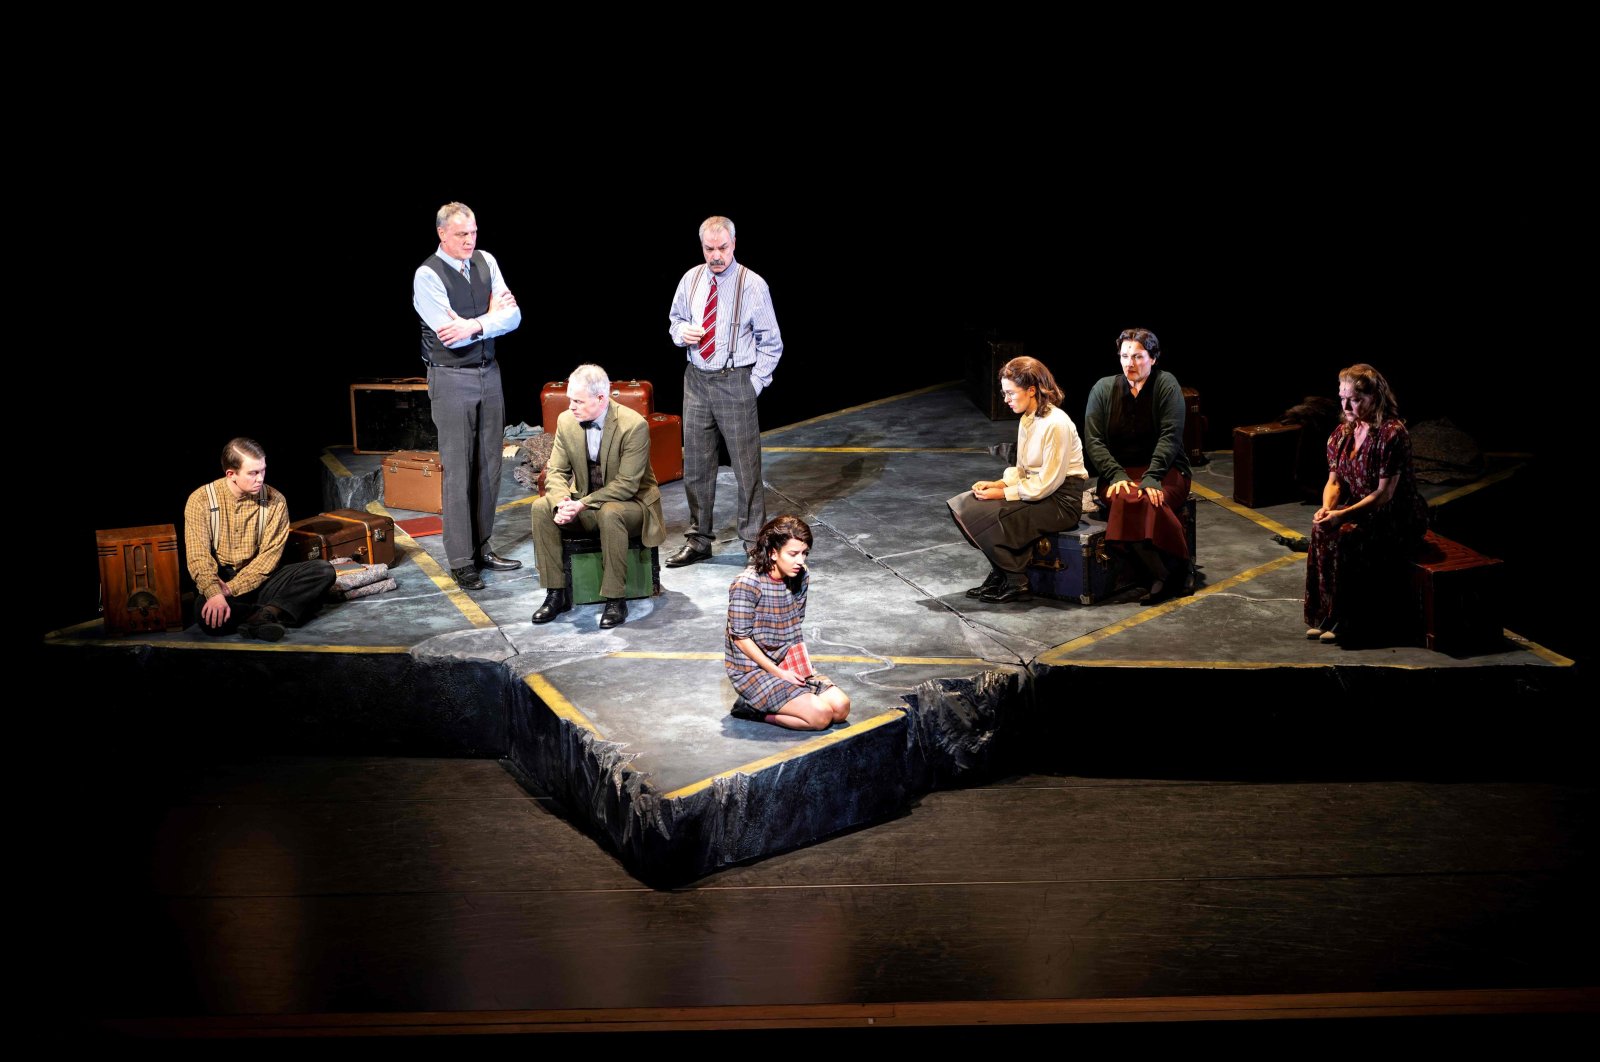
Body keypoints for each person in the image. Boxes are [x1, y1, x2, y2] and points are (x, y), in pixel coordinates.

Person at [413, 202, 523, 592]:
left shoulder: (486, 261)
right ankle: (461, 560)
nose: (469, 241)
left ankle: (483, 546)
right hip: (451, 378)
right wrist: (490, 319)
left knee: (490, 465)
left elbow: (514, 317)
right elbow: (448, 333)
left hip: (488, 374)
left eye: (473, 232)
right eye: (461, 234)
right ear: (442, 233)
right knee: (459, 471)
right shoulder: (427, 275)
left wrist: (476, 323)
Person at [665, 215, 783, 568]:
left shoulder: (752, 285)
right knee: (698, 466)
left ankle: (753, 542)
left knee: (747, 469)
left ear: (734, 244)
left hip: (735, 381)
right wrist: (681, 332)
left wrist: (753, 384)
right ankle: (699, 538)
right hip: (697, 380)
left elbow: (772, 344)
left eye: (722, 248)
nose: (715, 256)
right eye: (709, 248)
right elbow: (675, 320)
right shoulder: (691, 278)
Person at [529, 364, 667, 629]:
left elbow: (626, 485)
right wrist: (563, 502)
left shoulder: (633, 425)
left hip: (631, 507)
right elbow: (556, 471)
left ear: (601, 398)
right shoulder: (566, 421)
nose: (571, 406)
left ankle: (616, 599)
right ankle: (556, 593)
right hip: (585, 503)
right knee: (540, 508)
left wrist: (580, 503)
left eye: (578, 401)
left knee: (610, 511)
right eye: (570, 399)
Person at [1303, 363, 1428, 645]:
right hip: (1359, 509)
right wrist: (1328, 508)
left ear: (1375, 398)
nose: (1347, 405)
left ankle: (1348, 620)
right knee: (1321, 530)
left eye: (1356, 399)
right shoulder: (1341, 434)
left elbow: (1384, 494)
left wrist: (1343, 515)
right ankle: (1327, 613)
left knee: (1348, 539)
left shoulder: (1392, 434)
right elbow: (1334, 483)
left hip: (1396, 515)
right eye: (1343, 398)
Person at [947, 357, 1089, 603]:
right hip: (1035, 491)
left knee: (991, 517)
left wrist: (1003, 494)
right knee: (964, 505)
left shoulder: (1057, 424)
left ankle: (1015, 579)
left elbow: (1048, 482)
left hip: (1061, 501)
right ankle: (1003, 572)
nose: (1006, 399)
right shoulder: (1027, 418)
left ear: (1032, 390)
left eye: (1011, 393)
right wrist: (1000, 484)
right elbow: (1022, 469)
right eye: (1004, 393)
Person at [183, 438, 335, 641]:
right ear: (231, 474)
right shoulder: (201, 500)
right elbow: (198, 555)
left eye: (263, 470)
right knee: (206, 615)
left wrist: (233, 588)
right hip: (222, 579)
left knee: (322, 571)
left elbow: (268, 560)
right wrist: (215, 592)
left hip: (261, 578)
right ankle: (267, 615)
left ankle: (263, 614)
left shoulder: (275, 501)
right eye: (253, 473)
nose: (260, 478)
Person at [1083, 327, 1193, 603]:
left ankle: (1171, 569)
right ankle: (1168, 573)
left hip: (1166, 469)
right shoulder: (1103, 389)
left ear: (1153, 358)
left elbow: (1171, 436)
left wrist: (1152, 477)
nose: (1130, 363)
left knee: (1149, 498)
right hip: (1118, 472)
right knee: (1125, 498)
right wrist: (1115, 473)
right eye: (1124, 356)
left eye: (1138, 356)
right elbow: (1093, 440)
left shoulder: (1167, 385)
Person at [725, 515, 851, 731]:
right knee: (819, 717)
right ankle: (752, 711)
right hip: (753, 670)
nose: (800, 561)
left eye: (804, 553)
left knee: (840, 708)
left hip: (787, 662)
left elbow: (795, 624)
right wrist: (779, 673)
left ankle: (787, 701)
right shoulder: (748, 584)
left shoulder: (801, 576)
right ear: (773, 553)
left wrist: (797, 667)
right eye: (793, 554)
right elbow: (740, 639)